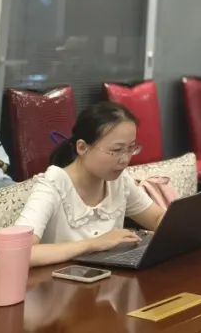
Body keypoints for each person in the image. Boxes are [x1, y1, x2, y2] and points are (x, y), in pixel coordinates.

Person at [14, 102, 166, 267]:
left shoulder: (120, 181)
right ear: (82, 147)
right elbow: (16, 253)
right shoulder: (53, 185)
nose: (125, 159)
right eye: (116, 150)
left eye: (130, 148)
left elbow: (157, 218)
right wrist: (93, 244)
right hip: (59, 281)